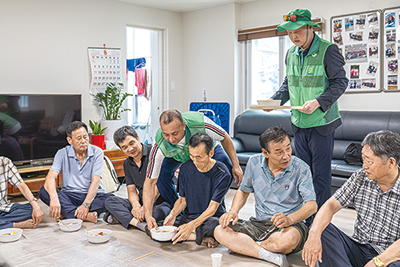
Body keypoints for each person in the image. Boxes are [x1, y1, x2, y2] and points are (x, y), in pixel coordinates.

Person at [270, 9, 348, 211]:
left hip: (322, 123)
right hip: (298, 123)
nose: (293, 36)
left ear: (310, 27)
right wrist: (274, 100)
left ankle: (320, 221)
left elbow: (340, 82)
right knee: (302, 173)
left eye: (297, 31)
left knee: (320, 175)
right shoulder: (291, 54)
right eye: (289, 33)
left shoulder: (328, 50)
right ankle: (306, 215)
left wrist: (319, 101)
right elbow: (289, 83)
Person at [214, 126, 317, 267]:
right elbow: (243, 190)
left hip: (290, 226)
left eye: (288, 148)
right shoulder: (254, 163)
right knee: (220, 230)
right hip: (259, 224)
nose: (286, 156)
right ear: (265, 153)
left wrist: (289, 219)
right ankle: (267, 253)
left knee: (289, 239)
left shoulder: (301, 168)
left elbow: (312, 205)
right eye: (279, 152)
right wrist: (233, 211)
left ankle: (248, 246)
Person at [302, 130, 400, 267]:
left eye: (369, 161)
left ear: (391, 162)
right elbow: (330, 205)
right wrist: (313, 233)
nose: (364, 165)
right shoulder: (360, 177)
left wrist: (377, 262)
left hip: (388, 256)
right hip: (359, 247)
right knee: (322, 228)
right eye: (363, 159)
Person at [143, 109, 242, 230]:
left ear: (183, 125)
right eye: (166, 134)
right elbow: (149, 182)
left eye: (175, 133)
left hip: (204, 151)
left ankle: (214, 208)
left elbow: (225, 137)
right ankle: (181, 212)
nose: (171, 139)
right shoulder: (160, 144)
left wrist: (236, 165)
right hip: (179, 154)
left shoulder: (202, 124)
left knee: (226, 167)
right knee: (161, 175)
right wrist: (148, 215)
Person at [162, 132, 231, 248]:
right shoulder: (185, 168)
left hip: (211, 217)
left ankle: (189, 234)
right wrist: (172, 214)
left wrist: (190, 227)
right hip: (189, 216)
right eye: (192, 156)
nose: (195, 161)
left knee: (216, 226)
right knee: (157, 228)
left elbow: (212, 208)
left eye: (199, 157)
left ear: (211, 153)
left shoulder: (222, 173)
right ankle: (202, 237)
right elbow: (182, 201)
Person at [39, 121, 113, 223]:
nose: (83, 141)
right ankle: (85, 216)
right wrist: (54, 198)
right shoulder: (62, 153)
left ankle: (68, 213)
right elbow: (50, 177)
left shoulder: (97, 152)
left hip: (92, 196)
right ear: (70, 140)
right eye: (79, 138)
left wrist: (86, 205)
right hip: (70, 195)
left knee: (111, 199)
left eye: (85, 137)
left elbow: (95, 181)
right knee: (44, 191)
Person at [103, 126, 171, 230]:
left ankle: (125, 219)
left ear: (138, 138)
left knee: (158, 213)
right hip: (141, 202)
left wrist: (145, 209)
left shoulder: (154, 154)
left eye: (132, 143)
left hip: (159, 202)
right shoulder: (127, 164)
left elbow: (157, 189)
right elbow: (131, 190)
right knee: (109, 201)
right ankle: (141, 224)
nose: (130, 149)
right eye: (124, 147)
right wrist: (136, 206)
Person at [0, 156, 44, 229]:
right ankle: (16, 225)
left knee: (32, 209)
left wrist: (35, 205)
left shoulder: (5, 162)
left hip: (3, 207)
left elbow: (21, 185)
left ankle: (3, 224)